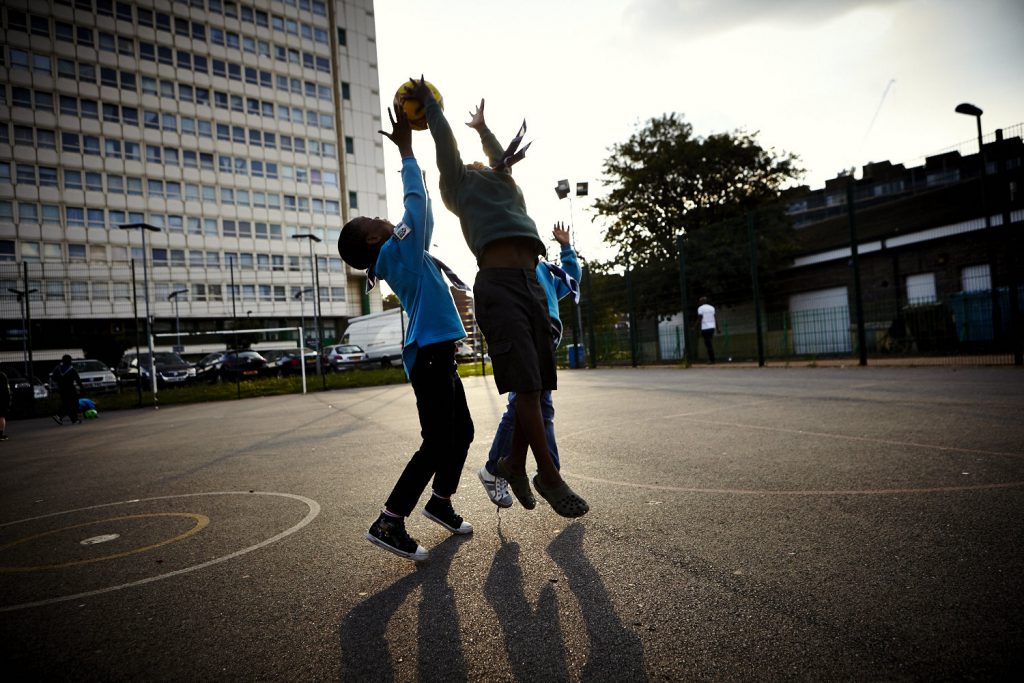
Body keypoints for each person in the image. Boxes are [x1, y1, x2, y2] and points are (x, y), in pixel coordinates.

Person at [404, 77, 588, 518]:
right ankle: (549, 475)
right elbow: (446, 147)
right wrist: (431, 108)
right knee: (526, 385)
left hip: (532, 284)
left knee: (538, 385)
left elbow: (498, 155)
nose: (479, 161)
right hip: (500, 284)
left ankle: (512, 463)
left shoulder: (503, 180)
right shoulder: (459, 185)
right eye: (472, 159)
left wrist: (484, 130)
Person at [337, 104, 474, 562]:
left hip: (437, 353)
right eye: (374, 220)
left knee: (462, 433)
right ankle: (390, 521)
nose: (382, 218)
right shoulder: (397, 253)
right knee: (438, 440)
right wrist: (408, 153)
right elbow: (418, 207)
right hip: (430, 355)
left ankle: (440, 502)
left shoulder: (396, 255)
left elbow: (419, 216)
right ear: (374, 240)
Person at [479, 222, 580, 508]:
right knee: (526, 407)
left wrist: (566, 248)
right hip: (522, 337)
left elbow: (571, 280)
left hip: (545, 339)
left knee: (536, 407)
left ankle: (535, 472)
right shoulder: (508, 267)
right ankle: (518, 471)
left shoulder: (544, 269)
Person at [50, 355, 83, 425]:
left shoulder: (57, 368)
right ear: (69, 361)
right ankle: (59, 416)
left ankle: (73, 419)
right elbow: (77, 380)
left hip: (61, 388)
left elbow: (53, 378)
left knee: (66, 403)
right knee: (72, 404)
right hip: (70, 388)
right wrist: (82, 388)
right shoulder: (71, 369)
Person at [696, 296, 720, 364]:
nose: (699, 302)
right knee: (709, 344)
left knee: (708, 345)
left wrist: (696, 326)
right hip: (712, 327)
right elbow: (715, 318)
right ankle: (711, 359)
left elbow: (700, 318)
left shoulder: (700, 308)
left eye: (700, 301)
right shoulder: (712, 307)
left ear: (702, 301)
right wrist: (717, 328)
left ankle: (712, 360)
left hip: (705, 328)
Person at [0, 370, 10, 440]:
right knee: (1, 416)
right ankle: (0, 434)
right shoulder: (2, 376)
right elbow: (7, 389)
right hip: (2, 399)